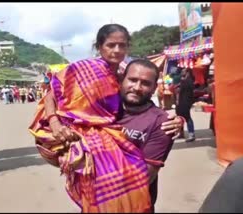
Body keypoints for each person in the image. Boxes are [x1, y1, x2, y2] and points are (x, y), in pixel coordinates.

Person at [29, 24, 182, 213]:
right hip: (96, 196)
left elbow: (145, 177)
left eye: (122, 45)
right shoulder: (86, 72)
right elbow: (53, 93)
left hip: (130, 200)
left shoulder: (158, 120)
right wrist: (55, 123)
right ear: (99, 46)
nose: (117, 50)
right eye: (111, 45)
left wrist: (176, 117)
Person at [117, 59, 177, 212]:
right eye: (132, 80)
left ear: (153, 88)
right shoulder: (104, 110)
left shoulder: (162, 122)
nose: (137, 87)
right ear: (122, 79)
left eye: (145, 83)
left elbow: (142, 178)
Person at [176, 68, 196, 142]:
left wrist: (180, 85)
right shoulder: (184, 80)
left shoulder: (188, 81)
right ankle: (181, 133)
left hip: (185, 101)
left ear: (187, 72)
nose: (182, 72)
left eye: (183, 71)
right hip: (182, 101)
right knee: (180, 117)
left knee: (187, 117)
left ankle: (191, 134)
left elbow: (183, 91)